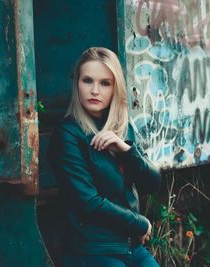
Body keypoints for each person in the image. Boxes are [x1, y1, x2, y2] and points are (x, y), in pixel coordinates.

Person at [48, 47, 161, 267]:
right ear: (77, 84)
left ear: (115, 88)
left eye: (105, 83)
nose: (95, 91)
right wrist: (139, 224)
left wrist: (127, 151)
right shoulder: (68, 134)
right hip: (92, 249)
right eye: (87, 80)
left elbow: (153, 183)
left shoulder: (122, 129)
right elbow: (89, 203)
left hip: (130, 247)